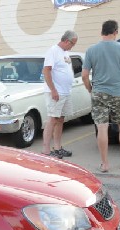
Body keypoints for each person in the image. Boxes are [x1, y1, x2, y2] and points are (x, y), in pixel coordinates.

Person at [82, 20, 120, 172]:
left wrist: (90, 89)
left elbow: (85, 75)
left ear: (102, 32)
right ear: (115, 32)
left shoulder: (91, 50)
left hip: (99, 93)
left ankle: (105, 164)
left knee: (102, 128)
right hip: (118, 93)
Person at [41, 30, 78, 159]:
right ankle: (46, 149)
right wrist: (53, 90)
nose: (72, 46)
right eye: (72, 44)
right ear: (67, 41)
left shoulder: (65, 53)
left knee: (60, 119)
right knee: (52, 119)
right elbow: (46, 71)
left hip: (65, 92)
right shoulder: (53, 51)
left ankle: (57, 147)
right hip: (56, 92)